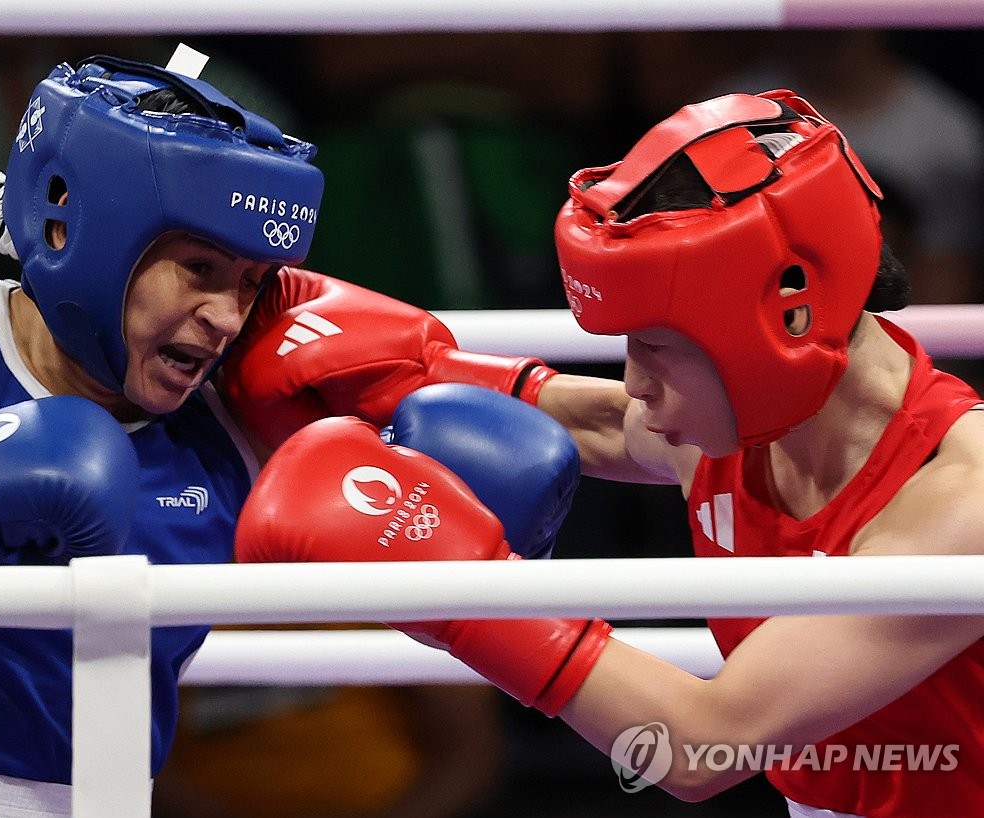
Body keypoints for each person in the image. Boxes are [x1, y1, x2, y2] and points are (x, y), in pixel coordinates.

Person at [231, 89, 984, 817]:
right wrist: (412, 371)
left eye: (656, 347)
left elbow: (703, 745)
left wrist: (458, 584)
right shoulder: (750, 418)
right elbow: (601, 423)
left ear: (784, 319)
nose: (637, 382)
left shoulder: (958, 503)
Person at [0, 48, 326, 816]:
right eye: (200, 268)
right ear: (90, 232)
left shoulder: (242, 408)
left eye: (251, 282)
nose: (227, 317)